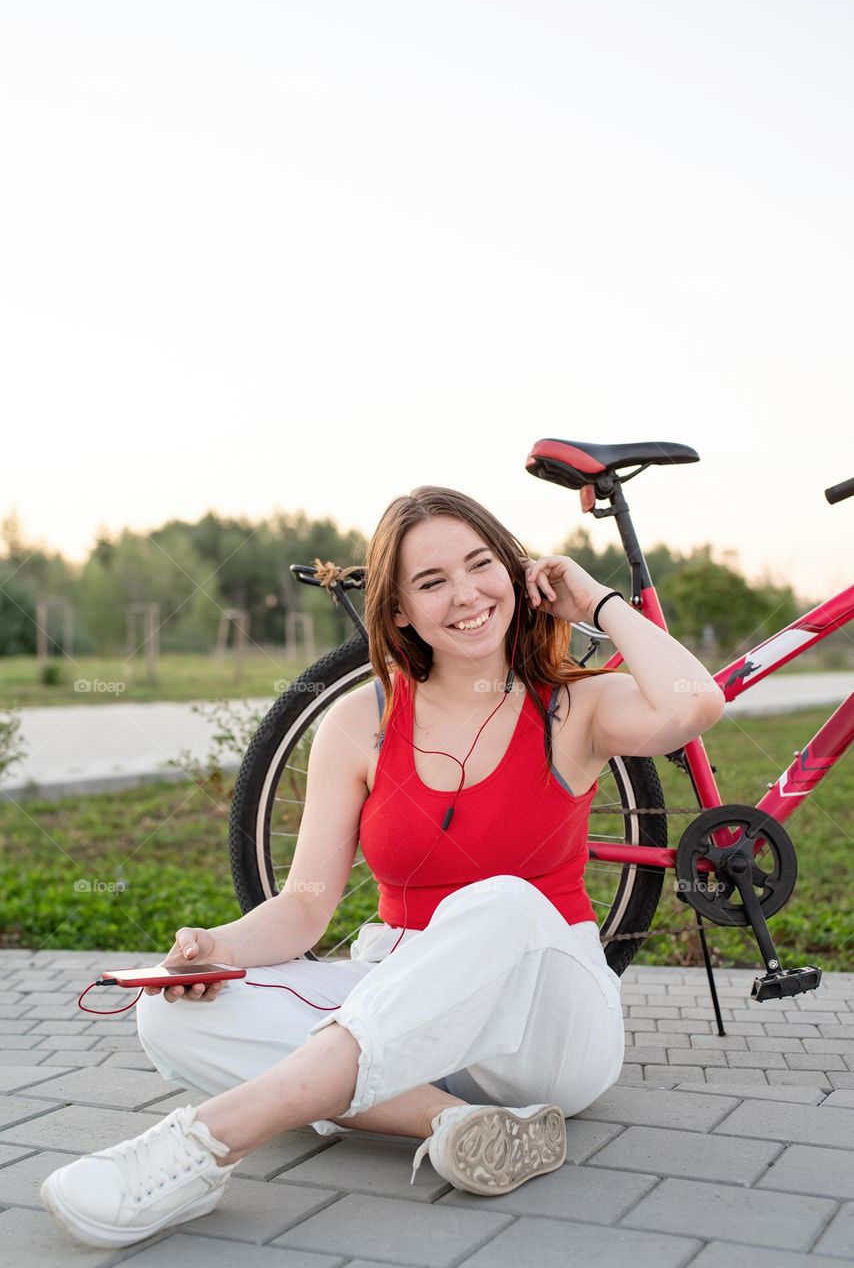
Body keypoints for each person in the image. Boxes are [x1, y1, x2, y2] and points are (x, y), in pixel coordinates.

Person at [40, 485, 726, 1248]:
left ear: (515, 570)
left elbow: (698, 703)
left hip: (546, 1024)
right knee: (169, 1012)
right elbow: (304, 908)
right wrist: (218, 948)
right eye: (432, 583)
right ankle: (457, 1122)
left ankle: (204, 1143)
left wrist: (596, 602)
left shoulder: (572, 707)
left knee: (500, 901)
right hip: (404, 1003)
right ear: (399, 609)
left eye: (480, 566)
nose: (465, 595)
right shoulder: (359, 721)